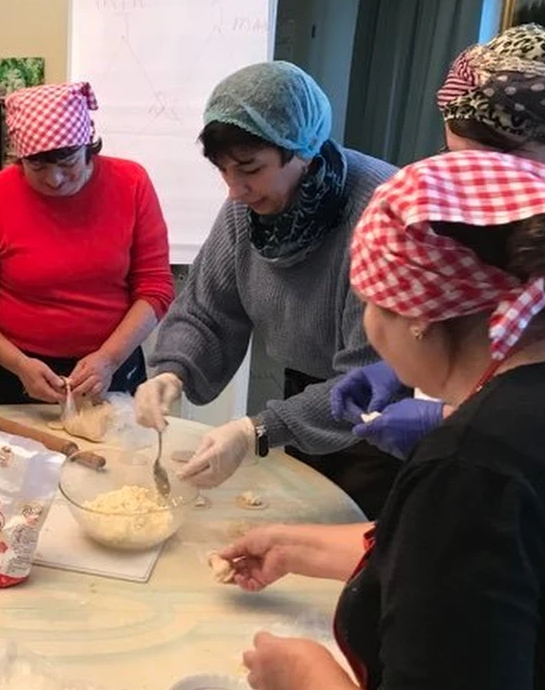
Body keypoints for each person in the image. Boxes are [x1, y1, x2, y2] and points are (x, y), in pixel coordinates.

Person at [223, 151, 545, 690]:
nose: (368, 330)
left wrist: (309, 677)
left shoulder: (475, 468)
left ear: (417, 317)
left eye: (369, 303)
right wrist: (300, 544)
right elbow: (516, 583)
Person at [135, 61, 397, 518]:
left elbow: (371, 377)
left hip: (380, 425)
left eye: (249, 169)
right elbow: (207, 310)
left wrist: (257, 430)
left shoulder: (382, 212)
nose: (235, 190)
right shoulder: (247, 208)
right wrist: (171, 371)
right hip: (305, 400)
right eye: (223, 171)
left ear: (303, 150)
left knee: (349, 547)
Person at [332, 24, 545, 459]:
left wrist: (452, 419)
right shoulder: (463, 203)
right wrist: (411, 366)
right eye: (456, 159)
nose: (469, 183)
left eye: (494, 161)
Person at [0, 81, 175, 405]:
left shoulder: (131, 183)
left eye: (68, 163)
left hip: (114, 364)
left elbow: (155, 287)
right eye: (37, 167)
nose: (54, 179)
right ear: (19, 157)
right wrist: (19, 365)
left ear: (88, 146)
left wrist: (108, 358)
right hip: (18, 371)